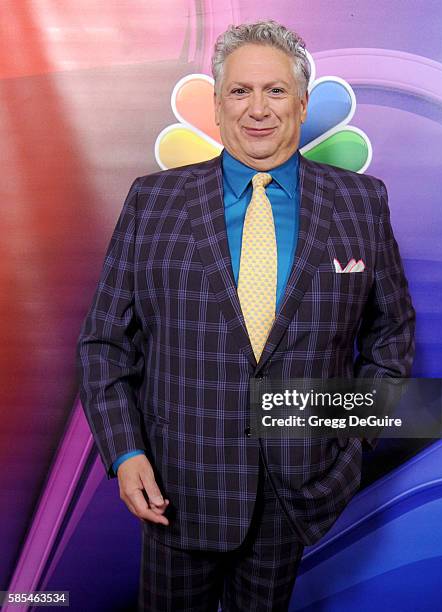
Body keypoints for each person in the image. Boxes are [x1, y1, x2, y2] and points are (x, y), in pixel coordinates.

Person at [76, 19, 415, 612]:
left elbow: (392, 336)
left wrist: (352, 448)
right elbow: (104, 342)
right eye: (239, 91)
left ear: (303, 101)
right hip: (176, 493)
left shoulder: (361, 203)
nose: (257, 109)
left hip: (295, 493)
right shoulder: (152, 203)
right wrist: (125, 453)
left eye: (275, 91)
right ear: (216, 102)